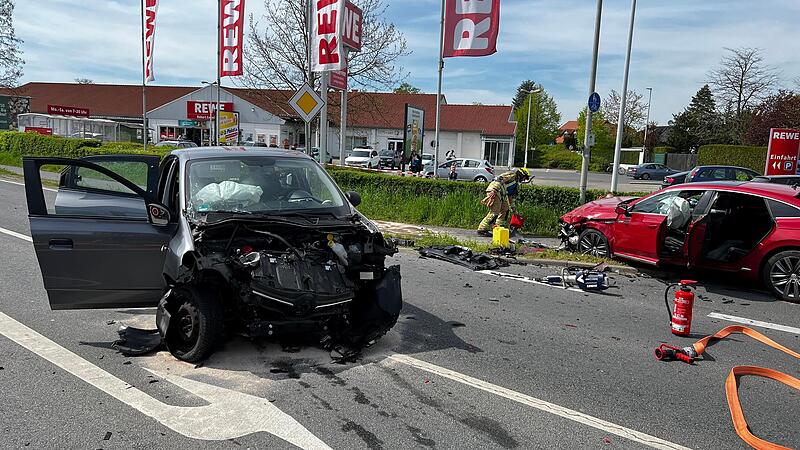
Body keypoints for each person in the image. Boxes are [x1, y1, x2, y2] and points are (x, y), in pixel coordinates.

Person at [477, 168, 531, 236]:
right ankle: (481, 229)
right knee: (495, 212)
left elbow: (510, 198)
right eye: (524, 178)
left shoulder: (515, 184)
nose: (524, 180)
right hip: (495, 191)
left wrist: (514, 211)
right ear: (521, 174)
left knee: (505, 208)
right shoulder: (512, 175)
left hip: (501, 194)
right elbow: (499, 179)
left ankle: (498, 227)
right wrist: (494, 190)